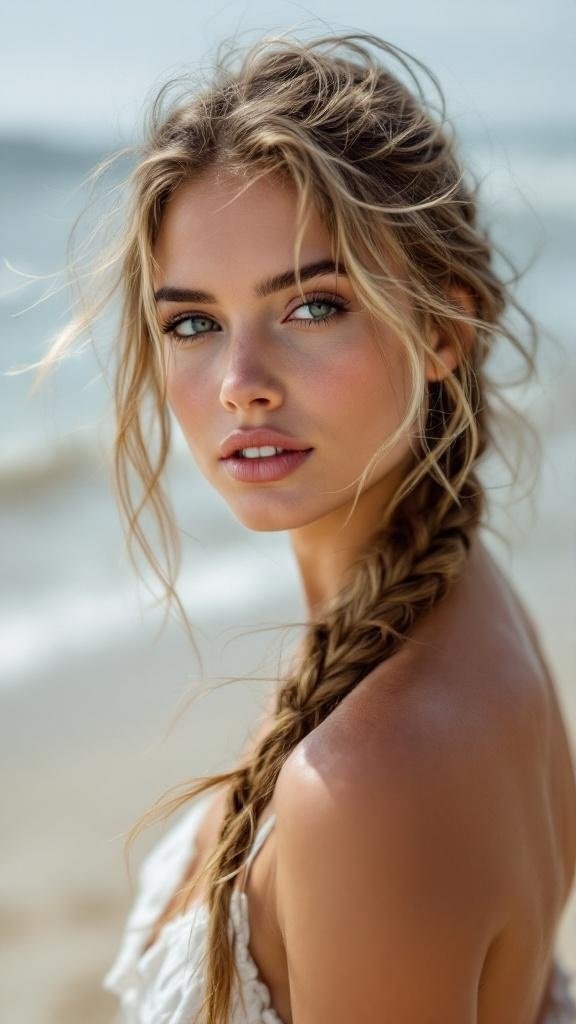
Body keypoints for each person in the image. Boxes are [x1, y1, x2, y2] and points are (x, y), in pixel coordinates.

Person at [38, 29, 576, 1024]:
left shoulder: (374, 779)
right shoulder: (462, 613)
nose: (240, 386)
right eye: (192, 323)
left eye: (313, 305)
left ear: (441, 330)